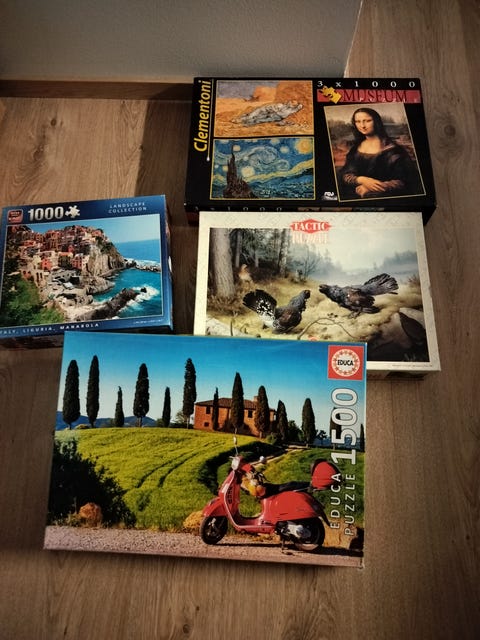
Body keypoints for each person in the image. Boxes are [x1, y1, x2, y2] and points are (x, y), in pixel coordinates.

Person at [338, 107, 423, 200]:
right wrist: (362, 180)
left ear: (376, 122)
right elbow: (345, 174)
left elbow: (405, 181)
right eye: (358, 121)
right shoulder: (355, 149)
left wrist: (372, 188)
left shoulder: (393, 150)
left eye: (367, 121)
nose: (362, 125)